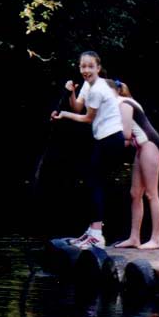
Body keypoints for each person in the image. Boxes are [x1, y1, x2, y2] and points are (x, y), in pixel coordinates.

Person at [51, 51, 125, 249]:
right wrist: (71, 92)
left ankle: (97, 235)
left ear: (98, 68)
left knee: (94, 182)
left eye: (90, 66)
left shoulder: (98, 89)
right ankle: (93, 231)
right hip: (103, 139)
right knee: (92, 182)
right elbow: (77, 107)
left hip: (112, 139)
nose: (85, 70)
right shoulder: (87, 85)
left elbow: (86, 118)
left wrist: (63, 114)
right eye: (82, 66)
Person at [108, 79, 159, 250]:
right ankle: (134, 238)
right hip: (140, 146)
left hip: (150, 145)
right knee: (135, 193)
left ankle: (156, 239)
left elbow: (125, 134)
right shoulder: (118, 105)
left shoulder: (123, 103)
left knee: (151, 194)